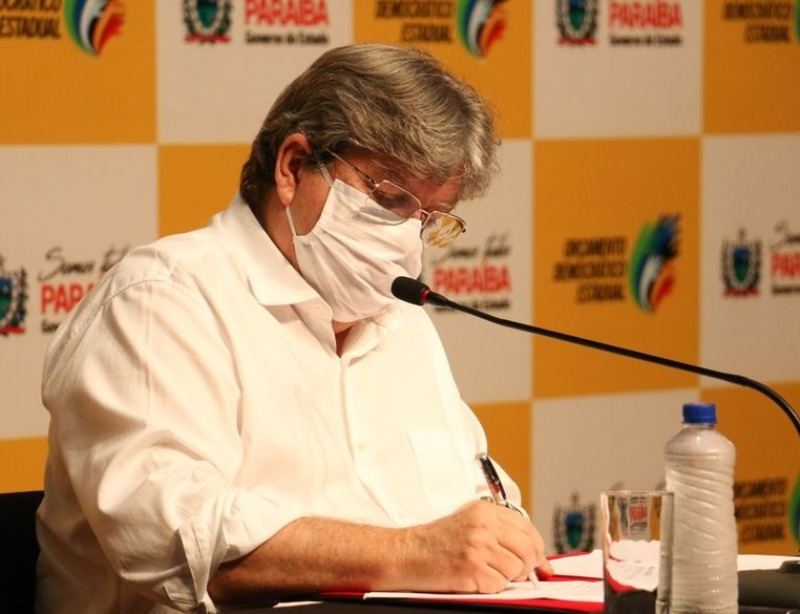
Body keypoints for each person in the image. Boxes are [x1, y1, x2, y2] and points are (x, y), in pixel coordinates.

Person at [36, 43, 552, 613]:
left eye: (430, 218)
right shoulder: (161, 301)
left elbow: (479, 503)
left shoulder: (402, 321)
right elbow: (179, 544)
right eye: (389, 197)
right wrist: (411, 552)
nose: (409, 241)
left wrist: (498, 543)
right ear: (294, 167)